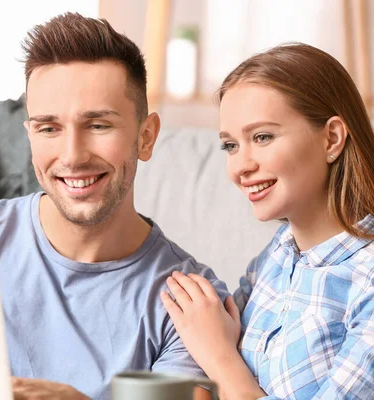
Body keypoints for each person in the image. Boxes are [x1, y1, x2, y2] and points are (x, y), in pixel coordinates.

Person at [0, 12, 227, 400]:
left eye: (97, 125)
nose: (72, 156)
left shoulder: (190, 301)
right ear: (30, 135)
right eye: (48, 128)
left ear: (146, 137)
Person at [160, 42, 374, 400]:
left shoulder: (365, 280)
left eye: (262, 137)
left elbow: (215, 348)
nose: (241, 166)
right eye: (230, 146)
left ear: (332, 139)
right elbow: (204, 337)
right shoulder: (276, 256)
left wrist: (220, 357)